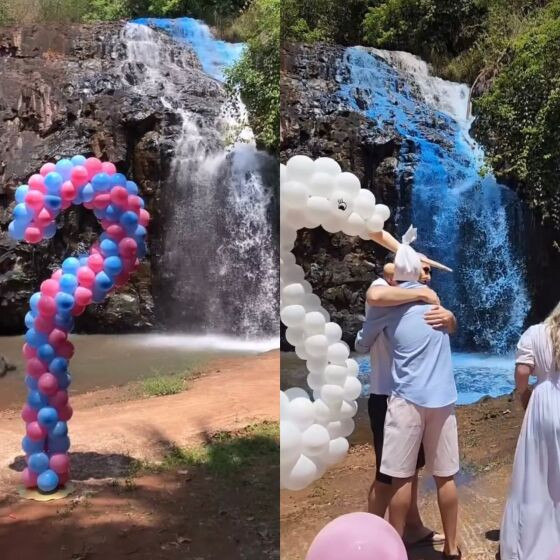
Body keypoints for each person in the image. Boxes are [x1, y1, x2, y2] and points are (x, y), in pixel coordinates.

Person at [356, 233, 461, 559]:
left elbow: (361, 343)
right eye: (424, 269)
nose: (429, 276)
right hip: (415, 397)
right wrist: (429, 297)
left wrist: (450, 318)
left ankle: (397, 542)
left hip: (403, 397)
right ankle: (386, 541)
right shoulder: (398, 295)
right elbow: (375, 295)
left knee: (401, 476)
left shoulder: (426, 302)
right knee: (397, 477)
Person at [500, 303, 560, 559]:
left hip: (544, 403)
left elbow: (523, 370)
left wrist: (524, 394)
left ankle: (535, 544)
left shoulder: (535, 333)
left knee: (536, 474)